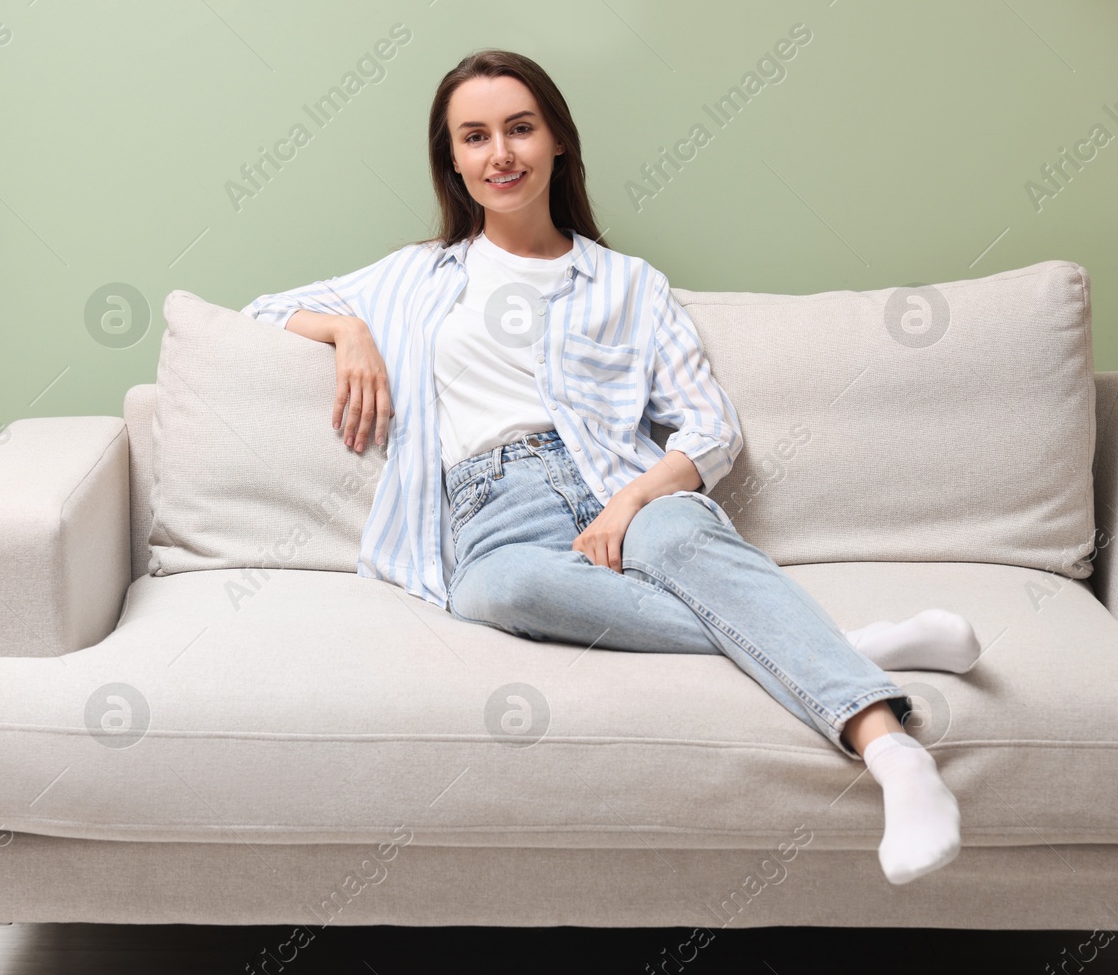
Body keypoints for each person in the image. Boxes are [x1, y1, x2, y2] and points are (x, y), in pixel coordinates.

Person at [240, 50, 976, 885]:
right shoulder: (413, 276)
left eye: (520, 128)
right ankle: (845, 647)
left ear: (557, 140)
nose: (500, 154)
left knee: (679, 542)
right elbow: (260, 311)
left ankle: (894, 755)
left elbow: (709, 429)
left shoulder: (629, 283)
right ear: (452, 161)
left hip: (624, 487)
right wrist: (350, 331)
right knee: (498, 592)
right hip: (490, 512)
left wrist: (633, 500)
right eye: (474, 137)